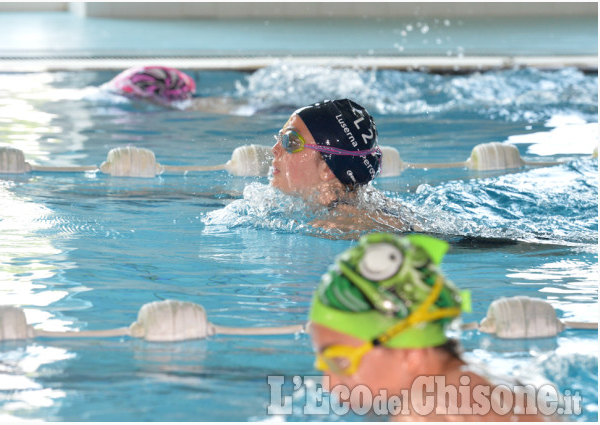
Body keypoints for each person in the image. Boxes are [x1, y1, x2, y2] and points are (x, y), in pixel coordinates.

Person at [309, 232, 553, 421]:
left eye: (340, 361)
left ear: (412, 355)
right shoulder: (485, 382)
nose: (328, 384)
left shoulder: (423, 413)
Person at [271, 99, 422, 235]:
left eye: (290, 141)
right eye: (280, 136)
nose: (275, 149)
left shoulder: (339, 226)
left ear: (327, 168)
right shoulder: (364, 203)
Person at [103, 65, 244, 113]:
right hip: (163, 81)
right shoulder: (123, 87)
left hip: (167, 82)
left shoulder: (123, 89)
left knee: (184, 106)